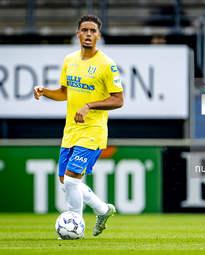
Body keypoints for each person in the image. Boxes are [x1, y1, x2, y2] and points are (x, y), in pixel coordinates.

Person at [33, 14, 124, 238]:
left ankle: (75, 226)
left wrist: (89, 106)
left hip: (93, 131)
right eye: (85, 30)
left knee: (73, 180)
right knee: (66, 183)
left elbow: (118, 99)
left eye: (93, 31)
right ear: (78, 34)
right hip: (71, 131)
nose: (89, 34)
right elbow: (64, 93)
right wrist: (45, 92)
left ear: (98, 36)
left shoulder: (106, 65)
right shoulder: (69, 60)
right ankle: (103, 210)